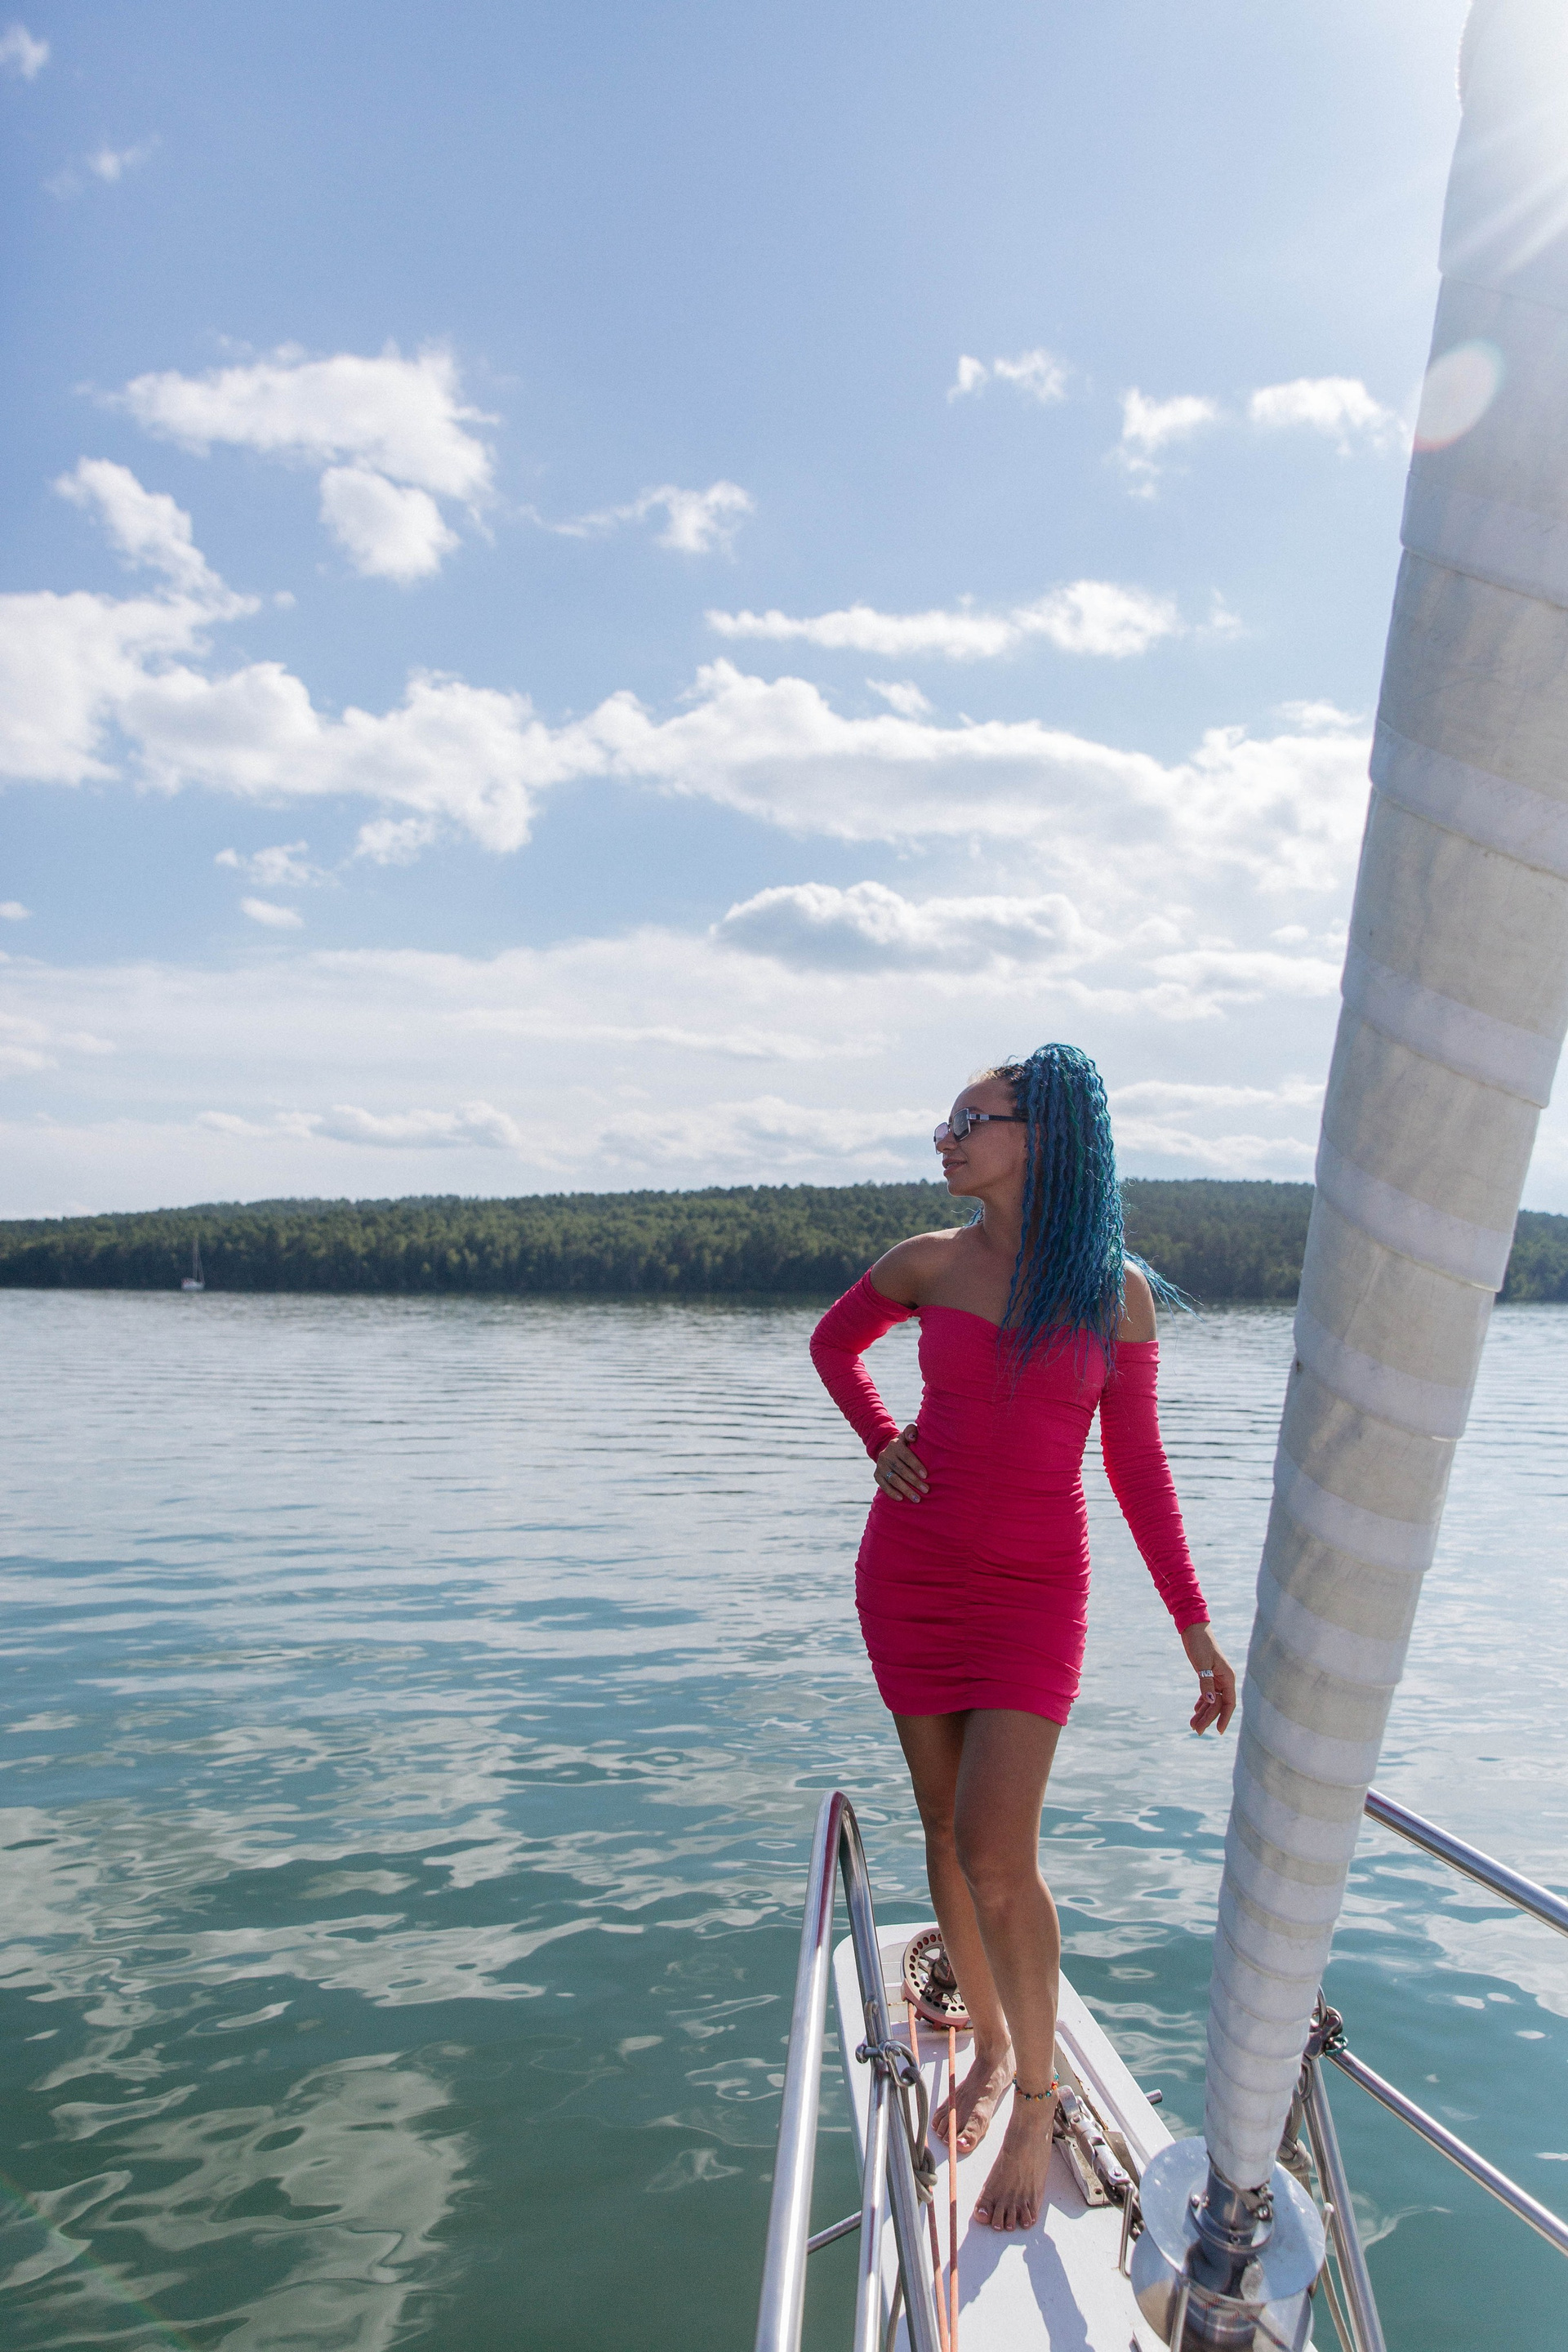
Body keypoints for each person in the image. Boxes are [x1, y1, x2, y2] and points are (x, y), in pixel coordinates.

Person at [809, 1044, 1236, 2234]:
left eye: (971, 1119)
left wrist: (1195, 1627)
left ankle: (1039, 2101)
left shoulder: (1111, 1293)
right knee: (944, 1827)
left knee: (1000, 1850)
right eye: (947, 1119)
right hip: (912, 1574)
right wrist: (880, 1439)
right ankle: (991, 2044)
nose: (944, 1137)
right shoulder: (928, 1262)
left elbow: (1137, 1466)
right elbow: (832, 1345)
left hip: (1036, 1593)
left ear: (1042, 1137)